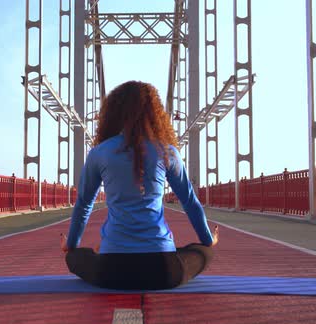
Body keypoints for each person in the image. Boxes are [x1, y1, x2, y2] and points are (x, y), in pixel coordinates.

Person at [61, 81, 219, 290]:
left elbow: (83, 204)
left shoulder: (99, 153)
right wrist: (209, 239)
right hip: (164, 270)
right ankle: (201, 246)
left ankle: (98, 249)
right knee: (202, 251)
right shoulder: (168, 152)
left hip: (111, 271)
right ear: (155, 113)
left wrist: (70, 245)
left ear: (113, 113)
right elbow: (189, 201)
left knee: (74, 257)